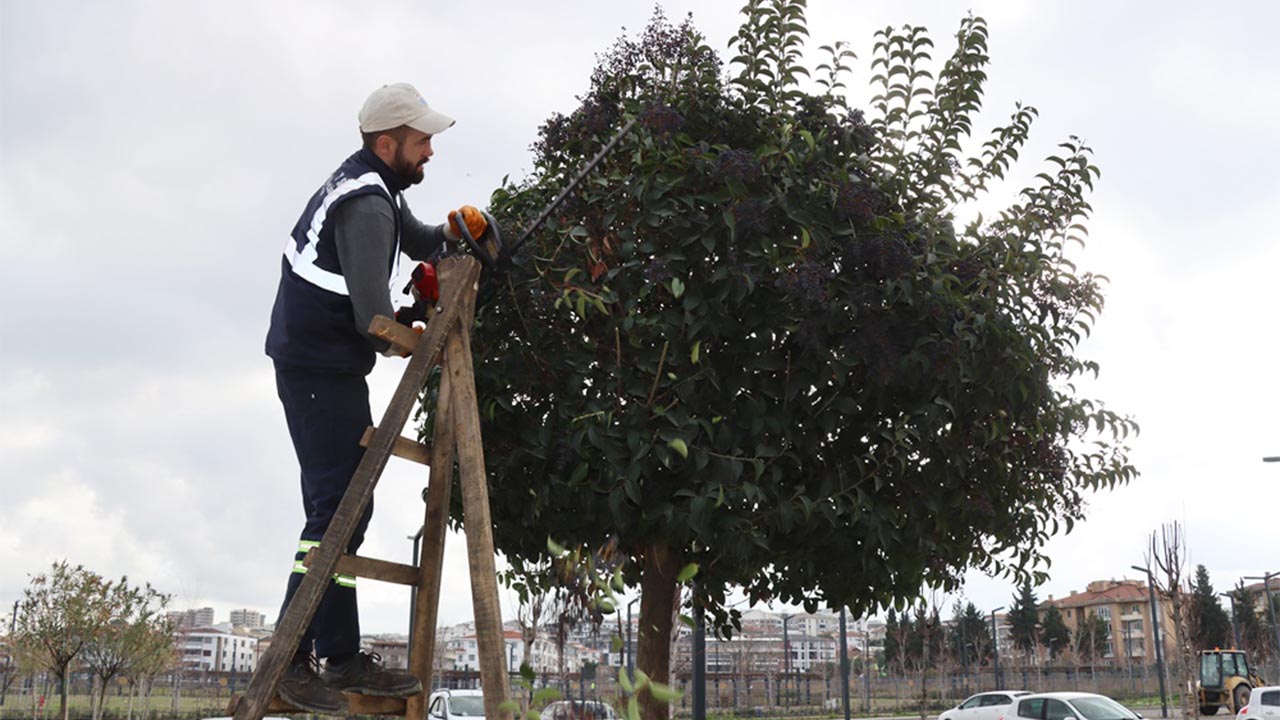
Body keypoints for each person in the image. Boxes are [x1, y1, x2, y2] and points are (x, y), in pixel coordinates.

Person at [264, 82, 487, 714]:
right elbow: (373, 321)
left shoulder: (376, 188)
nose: (431, 154)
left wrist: (457, 232)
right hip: (318, 368)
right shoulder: (366, 204)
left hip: (323, 366)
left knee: (344, 512)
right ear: (386, 143)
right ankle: (293, 660)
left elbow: (418, 237)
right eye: (422, 143)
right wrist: (429, 335)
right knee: (335, 513)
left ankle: (334, 656)